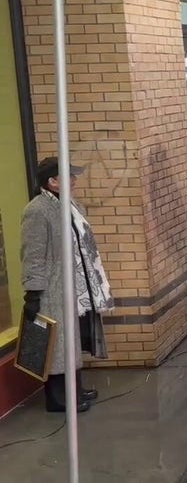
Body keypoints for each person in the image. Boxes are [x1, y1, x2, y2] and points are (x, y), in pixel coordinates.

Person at [22, 157, 112, 412]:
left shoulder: (71, 205)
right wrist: (33, 291)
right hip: (53, 286)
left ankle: (75, 388)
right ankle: (58, 398)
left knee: (73, 338)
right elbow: (33, 253)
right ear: (52, 181)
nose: (74, 180)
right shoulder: (37, 210)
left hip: (76, 285)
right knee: (58, 344)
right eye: (67, 176)